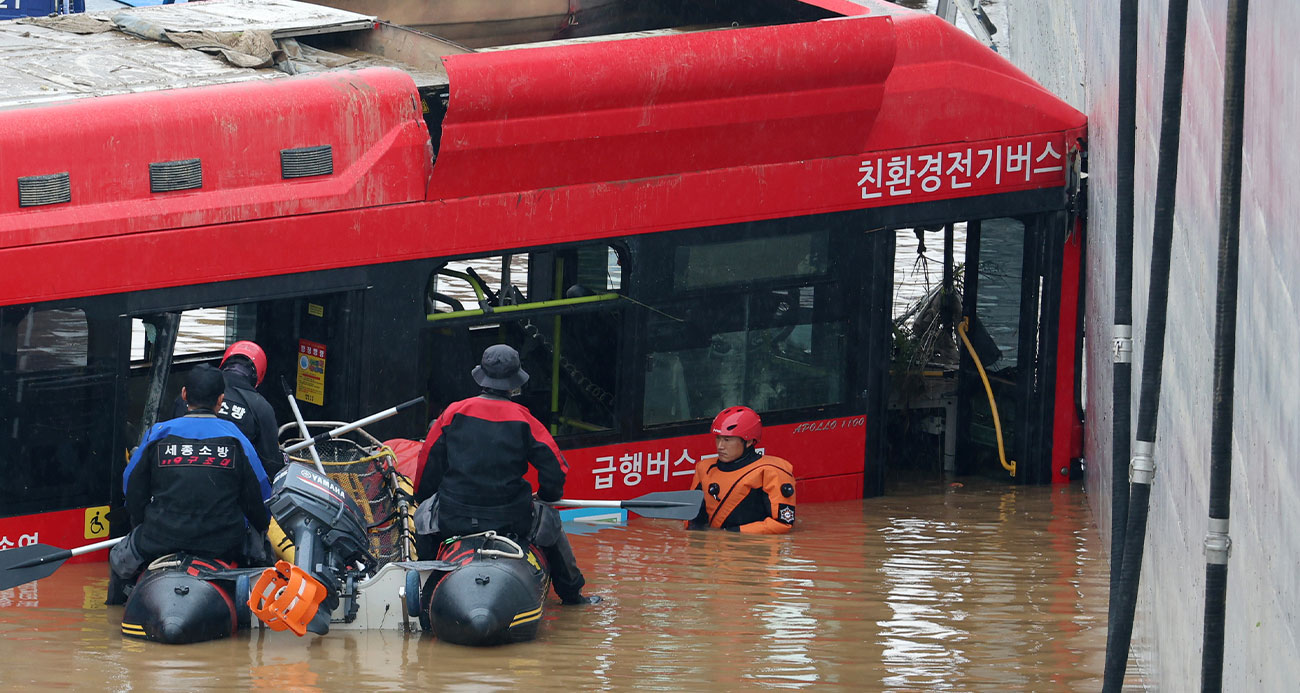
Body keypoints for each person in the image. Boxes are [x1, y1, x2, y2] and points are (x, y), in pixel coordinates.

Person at [411, 344, 600, 605]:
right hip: (510, 519)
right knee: (552, 522)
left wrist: (423, 498)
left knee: (422, 518)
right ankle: (572, 595)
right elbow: (555, 470)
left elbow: (427, 464)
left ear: (481, 376)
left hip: (454, 517)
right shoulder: (525, 420)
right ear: (514, 383)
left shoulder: (452, 413)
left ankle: (426, 589)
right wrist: (547, 496)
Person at [110, 364, 273, 597]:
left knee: (118, 562)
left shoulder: (158, 433)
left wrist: (143, 522)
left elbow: (132, 489)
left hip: (160, 537)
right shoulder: (237, 439)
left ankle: (116, 611)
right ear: (220, 400)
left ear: (184, 394)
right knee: (264, 558)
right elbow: (261, 498)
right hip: (224, 542)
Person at [170, 340, 284, 478]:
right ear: (220, 400)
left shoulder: (190, 396)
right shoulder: (261, 407)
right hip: (228, 485)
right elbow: (270, 464)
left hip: (179, 476)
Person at [686, 406, 796, 534]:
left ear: (748, 442)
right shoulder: (704, 468)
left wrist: (733, 533)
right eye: (718, 438)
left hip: (751, 548)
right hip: (715, 548)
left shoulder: (772, 472)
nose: (720, 446)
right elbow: (692, 516)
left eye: (727, 440)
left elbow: (783, 524)